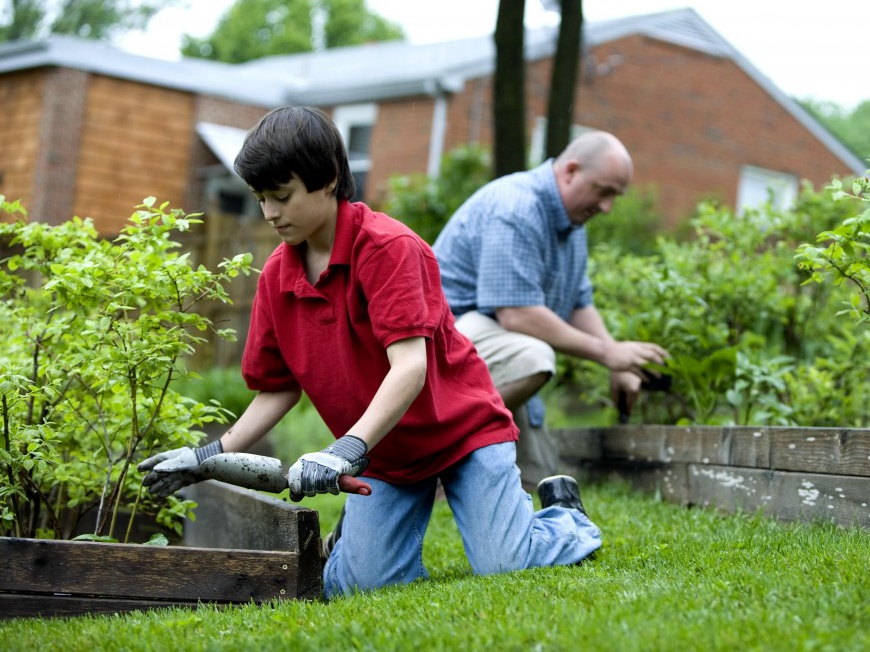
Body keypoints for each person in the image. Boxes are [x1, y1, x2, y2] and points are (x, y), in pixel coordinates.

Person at [137, 106, 601, 597]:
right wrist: (204, 456)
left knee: (506, 564)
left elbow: (410, 368)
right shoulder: (277, 276)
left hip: (462, 435)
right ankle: (358, 544)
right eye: (261, 199)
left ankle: (563, 517)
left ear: (330, 179)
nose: (270, 213)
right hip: (384, 455)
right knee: (362, 586)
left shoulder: (389, 249)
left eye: (282, 196)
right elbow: (277, 390)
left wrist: (344, 449)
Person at [432, 132, 669, 488]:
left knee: (542, 478)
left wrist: (620, 361)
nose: (607, 208)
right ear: (571, 171)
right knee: (533, 357)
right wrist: (606, 353)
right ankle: (434, 453)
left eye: (614, 197)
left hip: (492, 351)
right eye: (603, 191)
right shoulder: (517, 207)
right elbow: (517, 314)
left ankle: (468, 463)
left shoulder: (572, 224)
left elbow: (578, 302)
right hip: (439, 350)